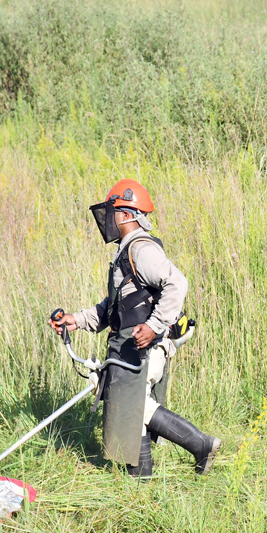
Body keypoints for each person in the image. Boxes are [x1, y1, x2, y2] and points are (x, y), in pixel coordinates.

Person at [49, 179, 220, 479]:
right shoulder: (125, 252)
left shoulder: (141, 249)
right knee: (134, 410)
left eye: (112, 212)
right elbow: (114, 307)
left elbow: (177, 283)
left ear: (127, 214)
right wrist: (76, 320)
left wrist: (154, 327)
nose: (108, 219)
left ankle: (201, 444)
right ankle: (141, 479)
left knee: (136, 406)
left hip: (145, 346)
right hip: (128, 344)